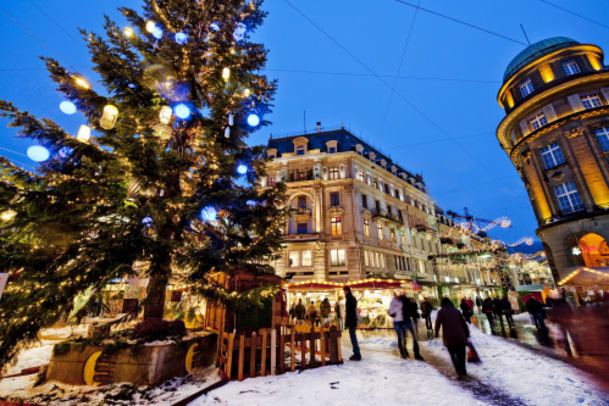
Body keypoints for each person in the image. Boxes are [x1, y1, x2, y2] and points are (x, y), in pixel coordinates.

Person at [435, 297, 470, 377]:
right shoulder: (456, 311)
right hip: (460, 337)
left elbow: (437, 324)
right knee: (461, 355)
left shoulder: (441, 312)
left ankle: (458, 371)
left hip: (449, 339)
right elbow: (463, 323)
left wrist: (436, 332)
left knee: (453, 355)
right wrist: (467, 334)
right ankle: (463, 370)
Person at [400, 295, 423, 360]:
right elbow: (413, 310)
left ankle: (405, 351)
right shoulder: (408, 303)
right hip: (408, 321)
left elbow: (392, 313)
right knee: (414, 337)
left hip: (402, 322)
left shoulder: (399, 304)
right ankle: (416, 353)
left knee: (404, 337)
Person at [388, 292, 408, 358]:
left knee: (405, 336)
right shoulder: (393, 302)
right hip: (397, 321)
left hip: (403, 320)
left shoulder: (401, 301)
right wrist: (398, 308)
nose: (398, 296)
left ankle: (405, 348)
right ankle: (402, 353)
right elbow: (390, 311)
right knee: (400, 337)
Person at [344, 286, 361, 361]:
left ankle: (357, 354)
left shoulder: (349, 298)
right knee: (353, 337)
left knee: (353, 338)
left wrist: (346, 323)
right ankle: (357, 353)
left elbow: (349, 312)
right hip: (354, 320)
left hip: (351, 321)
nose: (343, 292)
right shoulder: (353, 298)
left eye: (344, 291)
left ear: (346, 291)